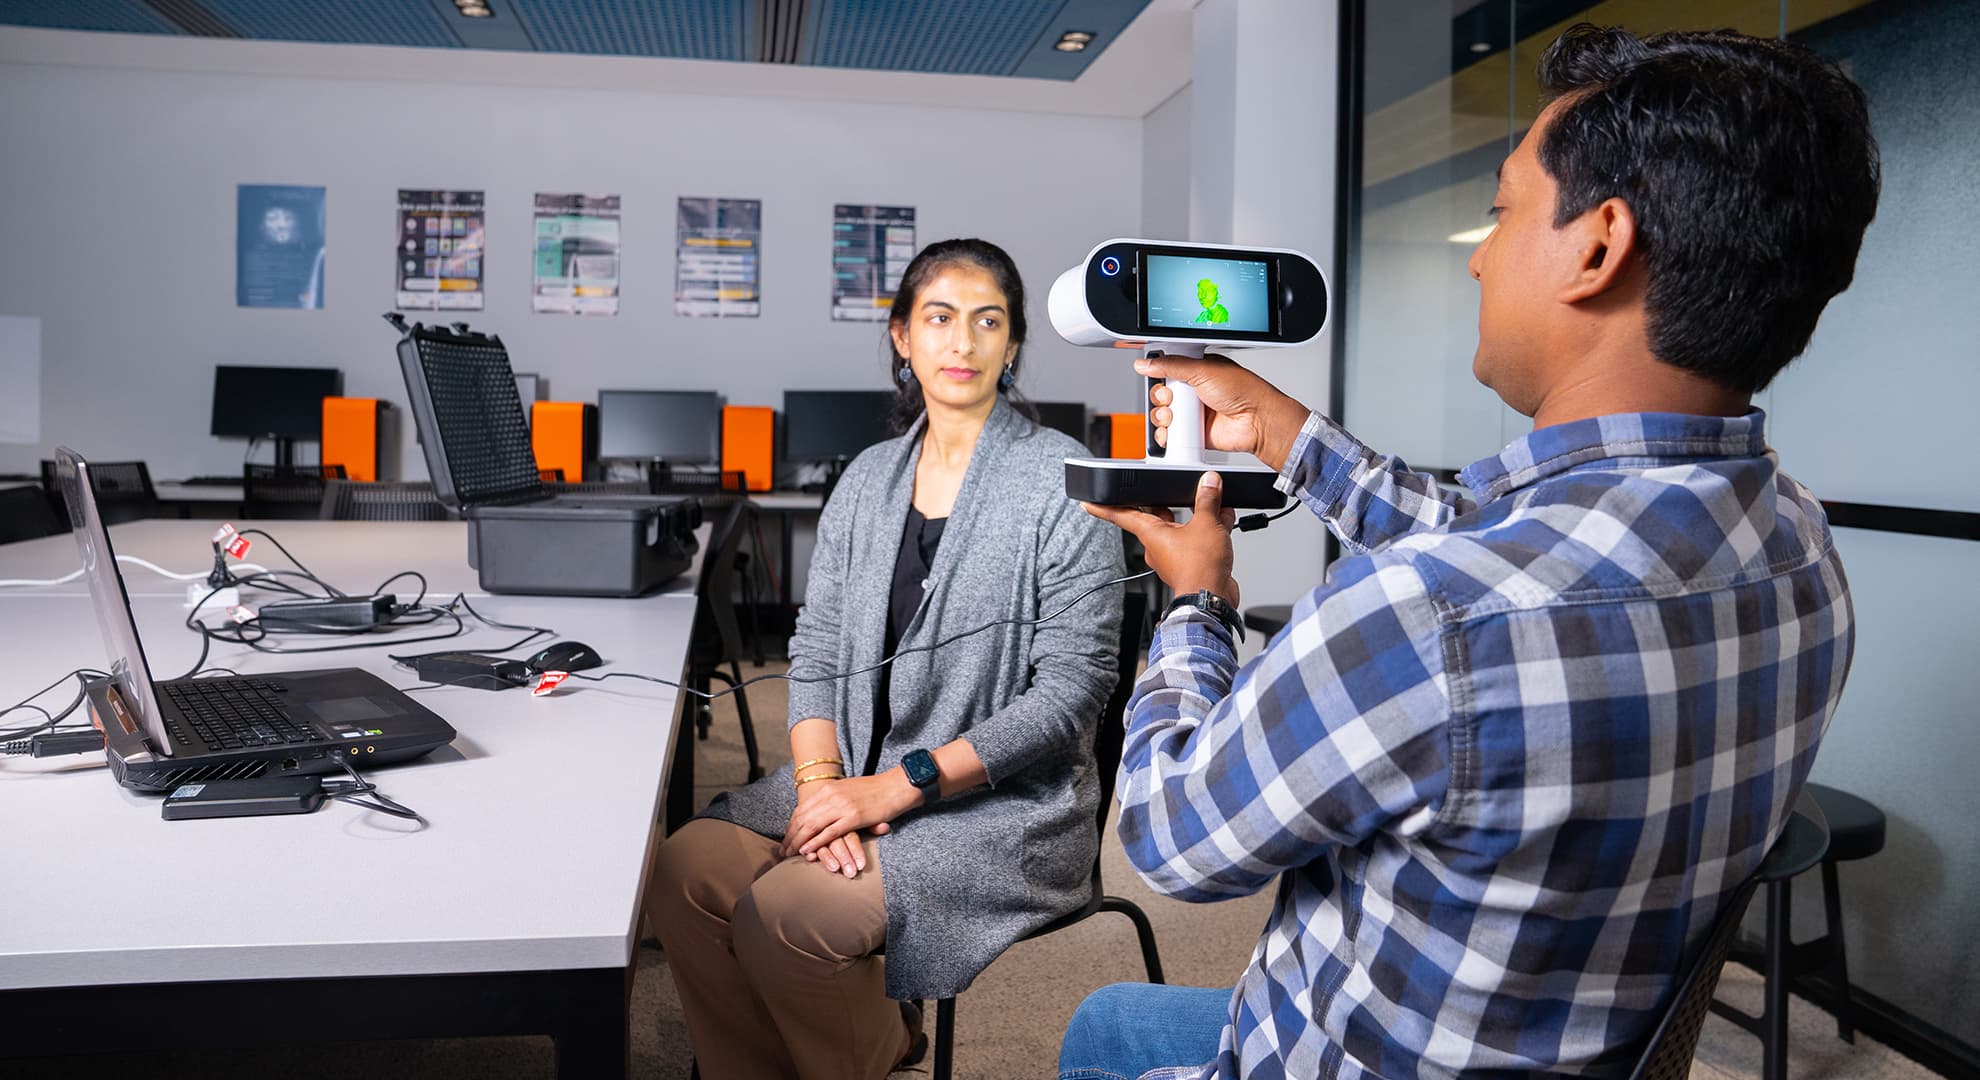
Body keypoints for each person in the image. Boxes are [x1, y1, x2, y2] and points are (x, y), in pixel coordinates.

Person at [1064, 24, 1877, 1080]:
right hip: (1560, 1032)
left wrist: (1196, 603)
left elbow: (1172, 836)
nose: (1483, 254)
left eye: (1500, 211)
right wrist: (1287, 434)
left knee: (1101, 1026)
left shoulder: (1419, 618)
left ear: (1598, 246)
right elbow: (1523, 570)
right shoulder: (1800, 544)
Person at [646, 238, 1125, 1079]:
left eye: (989, 322)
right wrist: (825, 785)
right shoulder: (869, 479)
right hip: (856, 774)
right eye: (939, 319)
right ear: (902, 336)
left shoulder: (1061, 480)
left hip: (996, 803)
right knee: (687, 868)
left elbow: (1069, 696)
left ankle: (875, 1046)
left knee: (789, 912)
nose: (963, 343)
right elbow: (820, 645)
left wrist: (895, 788)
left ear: (1012, 344)